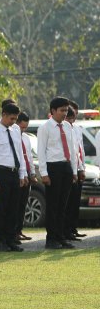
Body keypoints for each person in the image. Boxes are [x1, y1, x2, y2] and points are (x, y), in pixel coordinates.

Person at [0, 103, 27, 252]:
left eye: (15, 119)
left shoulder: (15, 130)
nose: (13, 122)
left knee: (13, 209)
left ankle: (11, 240)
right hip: (1, 172)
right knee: (1, 209)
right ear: (3, 114)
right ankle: (0, 242)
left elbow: (19, 153)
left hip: (14, 172)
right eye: (11, 118)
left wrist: (22, 174)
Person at [37, 97, 78, 249]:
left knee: (63, 205)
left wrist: (74, 170)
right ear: (53, 111)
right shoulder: (45, 127)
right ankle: (51, 238)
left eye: (66, 110)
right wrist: (44, 173)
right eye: (62, 110)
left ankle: (61, 237)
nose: (64, 113)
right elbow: (41, 151)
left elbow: (72, 150)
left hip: (66, 166)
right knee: (53, 205)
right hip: (53, 167)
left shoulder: (67, 126)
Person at [64, 102, 86, 241]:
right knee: (68, 201)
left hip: (77, 167)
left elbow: (80, 150)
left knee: (75, 201)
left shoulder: (77, 129)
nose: (73, 120)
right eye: (71, 117)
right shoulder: (64, 129)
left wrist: (81, 168)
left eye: (75, 116)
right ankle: (65, 230)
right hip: (67, 168)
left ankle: (73, 228)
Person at [16, 112, 37, 241]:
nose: (23, 130)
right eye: (21, 127)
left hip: (27, 174)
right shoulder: (13, 137)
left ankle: (19, 230)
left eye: (25, 127)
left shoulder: (26, 138)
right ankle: (13, 232)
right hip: (18, 174)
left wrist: (32, 173)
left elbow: (29, 157)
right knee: (15, 204)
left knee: (23, 204)